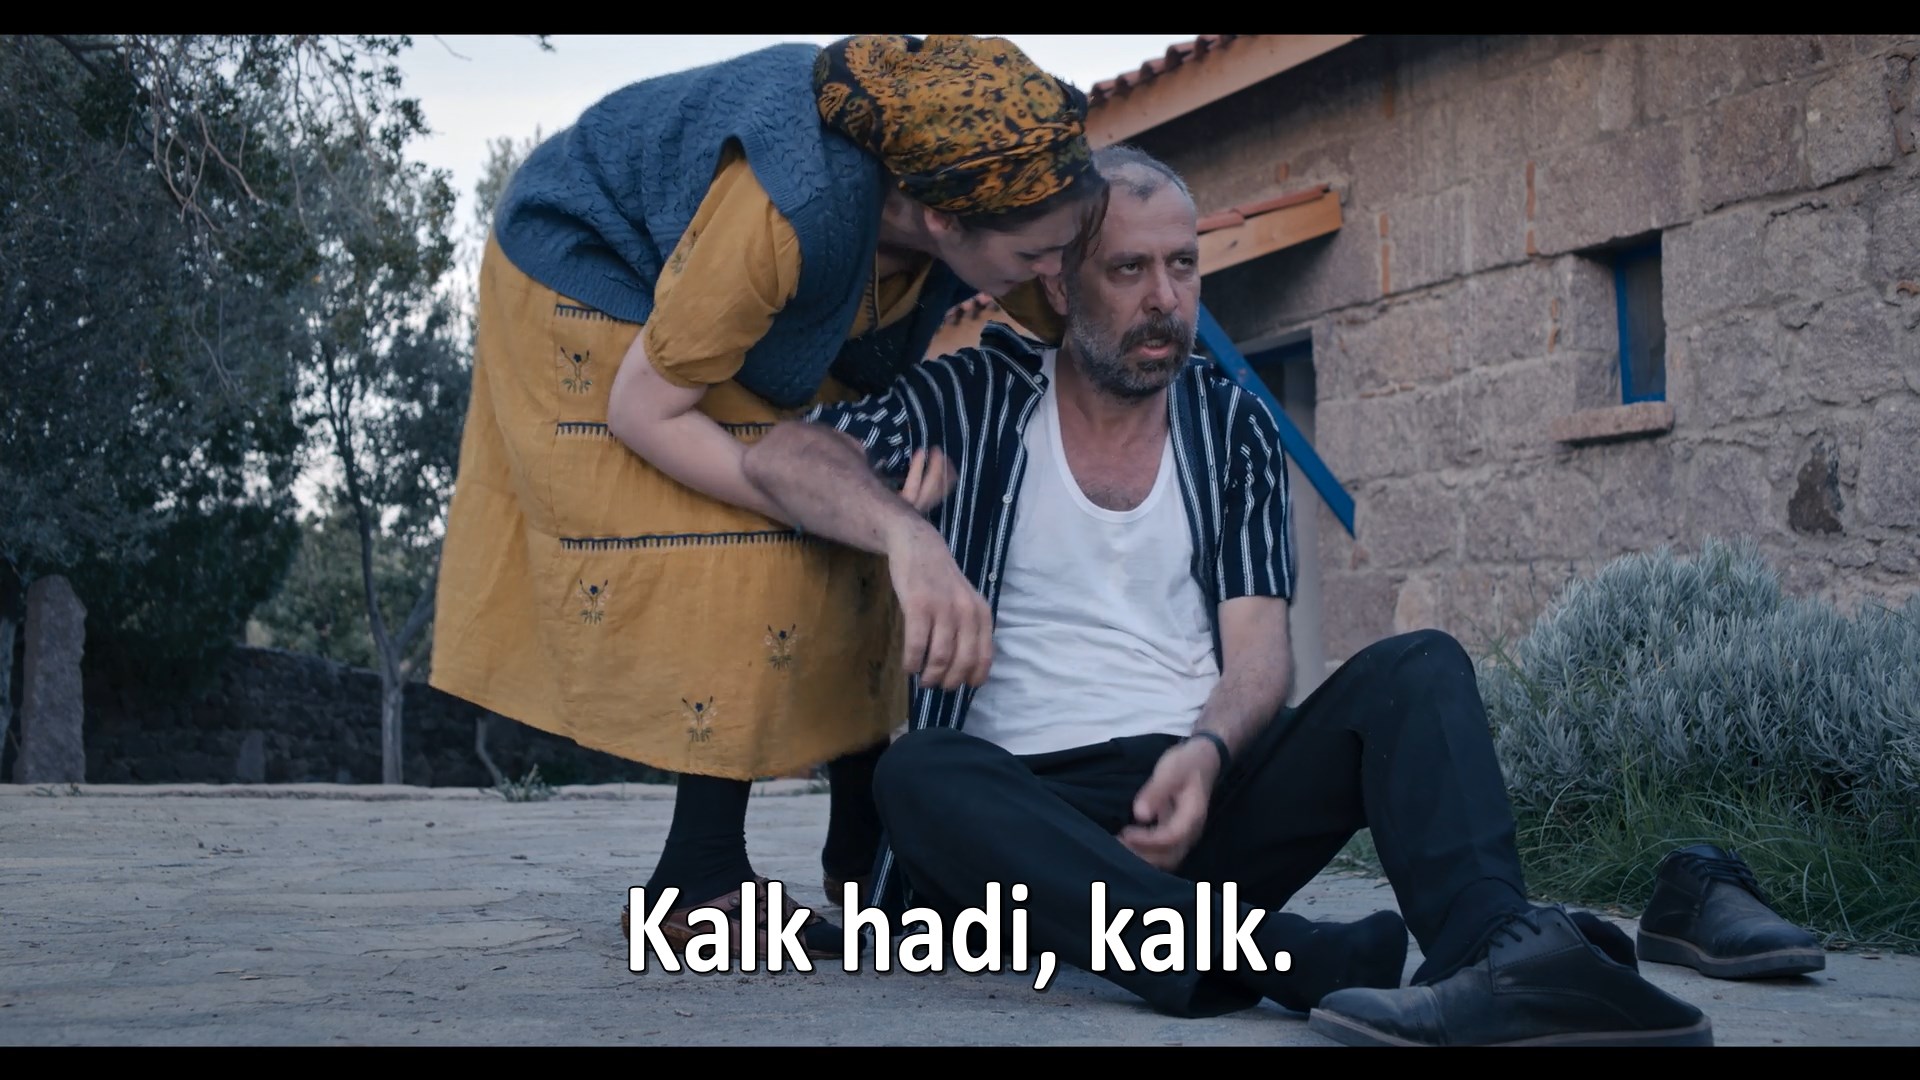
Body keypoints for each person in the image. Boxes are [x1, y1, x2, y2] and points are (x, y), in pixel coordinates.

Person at [737, 143, 1715, 1046]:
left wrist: (1207, 753)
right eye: (1129, 269)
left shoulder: (1231, 424)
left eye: (1183, 265)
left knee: (1418, 669)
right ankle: (1278, 954)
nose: (1165, 299)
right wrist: (907, 536)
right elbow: (785, 454)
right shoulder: (976, 401)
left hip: (1197, 802)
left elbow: (1258, 654)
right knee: (919, 773)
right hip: (1024, 833)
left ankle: (1500, 954)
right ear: (1060, 281)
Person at [428, 34, 1107, 960]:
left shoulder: (1000, 208)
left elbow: (1077, 309)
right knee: (764, 538)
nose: (1053, 273)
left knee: (861, 517)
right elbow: (645, 410)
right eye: (1038, 255)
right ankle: (697, 883)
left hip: (732, 312)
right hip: (595, 269)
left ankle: (869, 860)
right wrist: (806, 496)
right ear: (942, 222)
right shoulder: (795, 206)